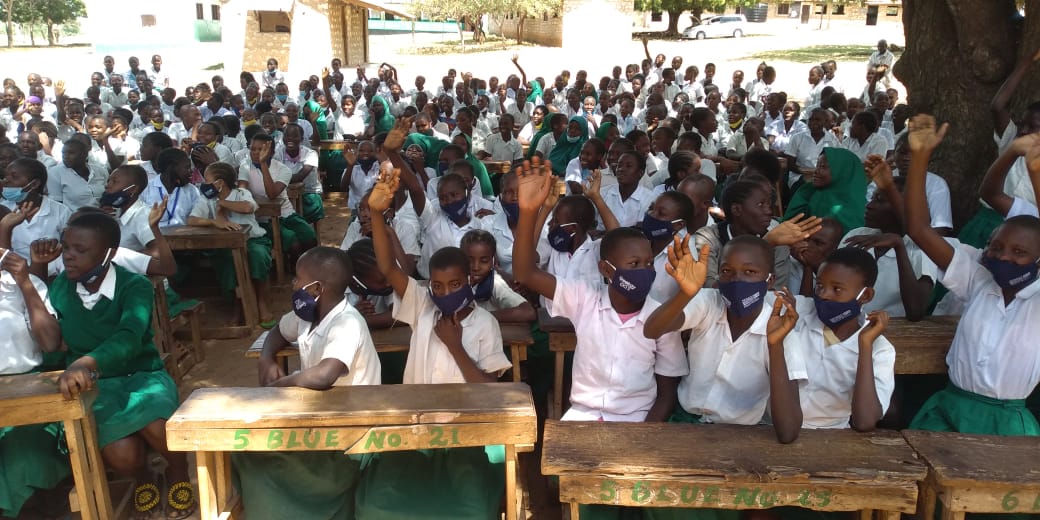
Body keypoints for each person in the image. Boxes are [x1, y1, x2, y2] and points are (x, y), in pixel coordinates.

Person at [356, 167, 512, 520]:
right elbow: (389, 267)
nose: (444, 294)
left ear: (469, 280)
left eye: (454, 285)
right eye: (437, 287)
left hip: (466, 435)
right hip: (415, 429)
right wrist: (378, 214)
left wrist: (455, 346)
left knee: (471, 508)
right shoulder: (423, 305)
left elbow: (493, 391)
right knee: (377, 507)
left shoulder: (485, 324)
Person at [47, 211, 196, 518]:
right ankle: (144, 477)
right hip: (95, 385)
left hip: (142, 375)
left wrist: (85, 362)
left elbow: (129, 337)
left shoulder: (134, 287)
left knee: (158, 426)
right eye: (66, 248)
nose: (69, 257)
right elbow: (52, 343)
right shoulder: (60, 288)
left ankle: (178, 472)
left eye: (80, 250)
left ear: (109, 253)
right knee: (122, 454)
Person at [904, 114, 1040, 436]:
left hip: (1006, 422)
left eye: (1019, 253)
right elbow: (920, 230)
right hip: (947, 411)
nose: (1003, 257)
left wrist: (1035, 174)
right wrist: (920, 159)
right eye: (996, 248)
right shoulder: (979, 278)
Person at [234, 247, 381, 520]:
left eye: (297, 279)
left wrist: (277, 388)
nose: (293, 284)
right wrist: (266, 359)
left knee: (256, 456)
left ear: (316, 289)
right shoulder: (308, 315)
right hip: (319, 420)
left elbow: (325, 375)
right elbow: (278, 331)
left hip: (350, 437)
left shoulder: (347, 322)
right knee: (242, 448)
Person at [766, 247, 895, 442]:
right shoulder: (798, 311)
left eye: (837, 289)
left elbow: (864, 421)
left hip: (832, 435)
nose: (824, 295)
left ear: (866, 296)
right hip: (770, 427)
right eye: (820, 286)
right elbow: (755, 299)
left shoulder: (880, 349)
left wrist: (865, 345)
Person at [0, 248, 74, 518]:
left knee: (21, 457)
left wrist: (25, 283)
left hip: (28, 389)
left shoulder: (24, 283)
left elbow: (51, 343)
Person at [189, 162, 276, 327]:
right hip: (225, 245)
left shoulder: (241, 193)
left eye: (207, 180)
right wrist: (214, 222)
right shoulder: (207, 200)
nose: (203, 184)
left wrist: (223, 204)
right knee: (228, 263)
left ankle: (261, 301)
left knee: (257, 256)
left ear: (219, 183)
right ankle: (238, 305)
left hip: (252, 240)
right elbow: (191, 220)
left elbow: (248, 207)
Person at [696, 180, 821, 290]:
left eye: (769, 205)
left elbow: (775, 295)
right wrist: (766, 244)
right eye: (760, 205)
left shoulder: (778, 246)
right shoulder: (708, 237)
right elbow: (709, 288)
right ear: (737, 209)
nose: (769, 211)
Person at [238, 133, 317, 257]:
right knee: (293, 242)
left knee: (309, 236)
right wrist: (263, 164)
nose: (256, 153)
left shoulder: (283, 169)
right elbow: (243, 191)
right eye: (253, 149)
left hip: (286, 213)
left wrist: (263, 164)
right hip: (263, 218)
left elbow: (272, 193)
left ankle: (309, 267)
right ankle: (293, 270)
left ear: (272, 152)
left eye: (262, 149)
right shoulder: (245, 167)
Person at [784, 147, 867, 236]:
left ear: (842, 171)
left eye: (823, 167)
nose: (816, 171)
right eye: (817, 166)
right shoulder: (808, 191)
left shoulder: (856, 208)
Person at [1, 158, 71, 260]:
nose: (6, 181)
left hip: (50, 272)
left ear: (34, 184)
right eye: (5, 176)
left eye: (14, 176)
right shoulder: (3, 208)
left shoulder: (61, 212)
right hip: (11, 269)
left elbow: (67, 249)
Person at [461, 229, 536, 323]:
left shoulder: (495, 283)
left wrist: (480, 317)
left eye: (483, 261)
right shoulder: (456, 280)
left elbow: (528, 312)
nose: (476, 267)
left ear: (493, 262)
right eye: (469, 260)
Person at [47, 138, 108, 209]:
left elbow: (109, 194)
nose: (65, 156)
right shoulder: (55, 173)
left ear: (84, 154)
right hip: (73, 218)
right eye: (63, 153)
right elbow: (56, 205)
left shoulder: (100, 171)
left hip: (102, 216)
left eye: (71, 153)